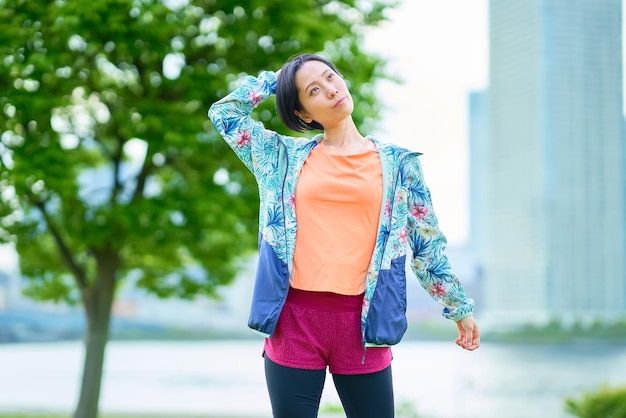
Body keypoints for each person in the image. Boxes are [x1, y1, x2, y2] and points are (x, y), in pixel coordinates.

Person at [208, 53, 480, 418]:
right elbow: (224, 115)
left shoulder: (400, 164)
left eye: (330, 77)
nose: (331, 89)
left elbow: (426, 242)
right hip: (295, 323)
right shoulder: (280, 157)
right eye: (314, 90)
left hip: (364, 326)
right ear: (304, 113)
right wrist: (277, 80)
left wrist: (458, 308)